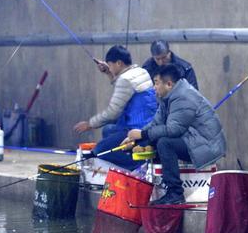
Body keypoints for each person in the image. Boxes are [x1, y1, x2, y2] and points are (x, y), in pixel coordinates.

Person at [123, 64, 226, 205]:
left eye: (156, 83)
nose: (154, 87)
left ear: (169, 84)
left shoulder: (184, 97)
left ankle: (175, 193)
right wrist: (134, 139)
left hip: (207, 144)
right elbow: (155, 124)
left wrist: (143, 134)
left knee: (164, 143)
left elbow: (173, 130)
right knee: (148, 141)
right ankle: (156, 186)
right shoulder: (168, 96)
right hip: (192, 138)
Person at [73, 45, 157, 171]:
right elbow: (124, 90)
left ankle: (138, 164)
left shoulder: (125, 79)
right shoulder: (141, 71)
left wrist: (90, 124)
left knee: (98, 151)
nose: (110, 68)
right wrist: (108, 72)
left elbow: (113, 112)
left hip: (136, 130)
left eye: (110, 65)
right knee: (108, 130)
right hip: (148, 126)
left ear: (119, 63)